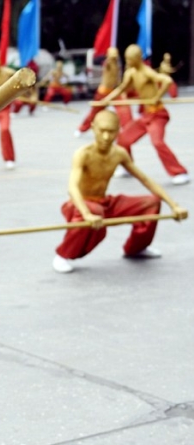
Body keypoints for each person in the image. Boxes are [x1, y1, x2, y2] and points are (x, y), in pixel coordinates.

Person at [52, 111, 187, 273]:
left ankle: (136, 248)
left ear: (118, 131)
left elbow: (145, 180)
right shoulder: (83, 154)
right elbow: (72, 188)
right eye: (102, 131)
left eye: (111, 131)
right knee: (95, 210)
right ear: (93, 128)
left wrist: (174, 205)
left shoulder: (119, 153)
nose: (106, 137)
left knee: (151, 203)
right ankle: (62, 255)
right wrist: (87, 214)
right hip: (80, 205)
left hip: (105, 203)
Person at [101, 44, 189, 185]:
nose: (128, 62)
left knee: (157, 142)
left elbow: (167, 80)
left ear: (137, 59)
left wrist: (157, 96)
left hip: (157, 114)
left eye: (130, 59)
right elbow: (122, 88)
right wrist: (106, 99)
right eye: (127, 59)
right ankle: (127, 167)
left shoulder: (146, 71)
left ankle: (180, 172)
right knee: (123, 139)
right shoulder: (130, 73)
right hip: (146, 115)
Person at [75, 47, 132, 137]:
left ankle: (128, 129)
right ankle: (81, 129)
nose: (115, 56)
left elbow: (118, 80)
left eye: (116, 54)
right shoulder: (107, 63)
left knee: (125, 109)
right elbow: (108, 62)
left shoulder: (118, 65)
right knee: (94, 112)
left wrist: (122, 92)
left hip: (114, 91)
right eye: (113, 54)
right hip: (103, 92)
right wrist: (110, 57)